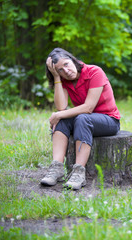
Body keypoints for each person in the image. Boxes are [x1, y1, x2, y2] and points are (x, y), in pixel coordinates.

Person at [41, 48, 121, 190]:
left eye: (66, 64)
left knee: (81, 118)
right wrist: (57, 79)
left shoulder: (94, 72)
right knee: (64, 119)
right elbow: (61, 107)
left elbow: (88, 107)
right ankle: (57, 167)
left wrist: (58, 114)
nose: (66, 71)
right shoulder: (64, 80)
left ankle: (79, 172)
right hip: (84, 120)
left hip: (109, 121)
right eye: (60, 70)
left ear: (73, 60)